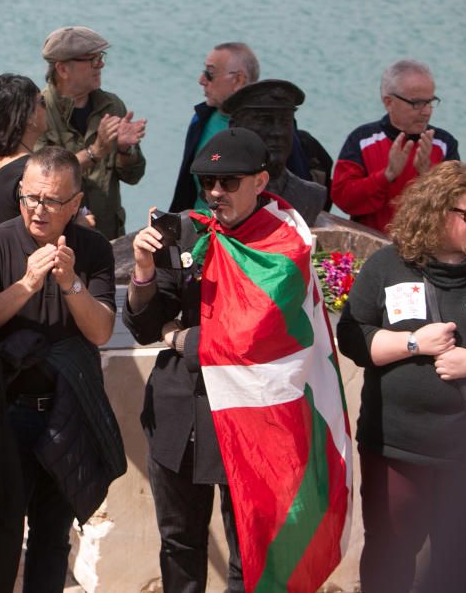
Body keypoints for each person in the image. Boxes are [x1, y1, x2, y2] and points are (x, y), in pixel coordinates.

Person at [124, 129, 289, 592]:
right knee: (178, 543)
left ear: (260, 181)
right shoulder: (190, 233)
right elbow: (144, 326)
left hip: (247, 418)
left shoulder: (281, 245)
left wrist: (180, 340)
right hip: (180, 415)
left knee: (248, 549)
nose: (215, 192)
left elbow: (254, 337)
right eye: (207, 181)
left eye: (228, 182)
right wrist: (142, 269)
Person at [0, 146, 125, 592]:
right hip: (9, 408)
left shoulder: (93, 248)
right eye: (30, 197)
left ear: (76, 204)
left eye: (52, 202)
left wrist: (70, 284)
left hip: (66, 410)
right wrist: (26, 284)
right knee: (0, 531)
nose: (38, 210)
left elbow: (100, 332)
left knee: (53, 536)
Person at [337, 161, 466, 593]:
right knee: (390, 552)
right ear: (435, 210)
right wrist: (415, 343)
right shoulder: (388, 266)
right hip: (396, 447)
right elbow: (355, 341)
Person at [168, 43, 312, 213]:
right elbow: (187, 187)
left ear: (238, 80)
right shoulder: (201, 120)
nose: (201, 80)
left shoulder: (275, 131)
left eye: (210, 73)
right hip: (202, 226)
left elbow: (297, 185)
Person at [37, 26, 146, 239]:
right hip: (58, 238)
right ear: (63, 69)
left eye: (101, 57)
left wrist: (125, 150)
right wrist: (96, 151)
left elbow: (133, 177)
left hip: (107, 235)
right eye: (92, 59)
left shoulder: (112, 105)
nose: (101, 65)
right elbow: (44, 175)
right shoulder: (39, 110)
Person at [331, 59, 459, 233]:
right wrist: (387, 175)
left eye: (430, 102)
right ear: (389, 102)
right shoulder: (361, 140)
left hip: (428, 248)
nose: (427, 111)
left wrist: (428, 175)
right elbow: (343, 200)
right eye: (417, 103)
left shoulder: (444, 143)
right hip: (372, 246)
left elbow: (456, 208)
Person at [223, 79, 327, 224]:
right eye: (265, 121)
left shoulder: (311, 195)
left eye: (285, 122)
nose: (277, 133)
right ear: (235, 127)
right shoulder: (219, 191)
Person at [0, 73, 47, 228]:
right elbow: (46, 229)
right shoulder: (30, 171)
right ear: (28, 116)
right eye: (42, 102)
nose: (46, 107)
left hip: (1, 250)